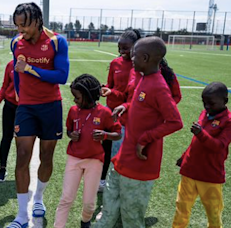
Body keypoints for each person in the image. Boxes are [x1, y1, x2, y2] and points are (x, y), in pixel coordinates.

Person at [94, 37, 183, 228]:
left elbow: (175, 122)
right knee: (109, 203)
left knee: (131, 217)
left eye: (134, 55)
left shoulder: (158, 86)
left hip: (139, 163)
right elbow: (140, 104)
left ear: (145, 57)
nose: (130, 58)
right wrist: (125, 106)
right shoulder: (142, 78)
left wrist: (146, 139)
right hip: (123, 157)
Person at [7, 3, 69, 228]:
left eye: (23, 24)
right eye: (17, 24)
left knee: (46, 156)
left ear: (37, 20)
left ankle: (39, 199)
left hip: (51, 106)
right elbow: (16, 71)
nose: (19, 29)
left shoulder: (56, 41)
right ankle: (21, 215)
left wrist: (31, 69)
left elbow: (62, 76)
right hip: (26, 107)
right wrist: (20, 96)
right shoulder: (15, 43)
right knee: (22, 155)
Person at [54, 74, 121, 228]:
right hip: (74, 159)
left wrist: (105, 135)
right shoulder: (73, 110)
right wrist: (72, 135)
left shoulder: (104, 113)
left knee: (89, 203)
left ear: (89, 96)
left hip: (94, 161)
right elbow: (69, 130)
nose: (75, 100)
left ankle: (85, 221)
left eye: (77, 97)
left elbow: (118, 134)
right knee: (66, 198)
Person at [172, 82, 231, 228]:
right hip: (189, 169)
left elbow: (219, 146)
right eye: (204, 103)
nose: (207, 107)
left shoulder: (228, 121)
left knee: (213, 213)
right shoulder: (205, 113)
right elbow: (195, 142)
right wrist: (185, 155)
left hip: (210, 175)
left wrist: (201, 134)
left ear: (225, 101)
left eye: (211, 103)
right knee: (181, 208)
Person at [99, 29, 141, 192]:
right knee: (106, 146)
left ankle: (119, 181)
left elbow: (131, 95)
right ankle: (102, 180)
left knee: (122, 149)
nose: (121, 52)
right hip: (110, 111)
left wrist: (114, 92)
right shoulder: (115, 63)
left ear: (135, 47)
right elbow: (110, 84)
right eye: (119, 48)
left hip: (126, 113)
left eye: (125, 48)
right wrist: (106, 89)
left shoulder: (139, 65)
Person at [0, 60, 18, 182]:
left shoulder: (34, 63)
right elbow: (5, 86)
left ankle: (21, 169)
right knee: (6, 137)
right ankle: (2, 168)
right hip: (10, 106)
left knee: (23, 140)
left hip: (25, 109)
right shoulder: (10, 65)